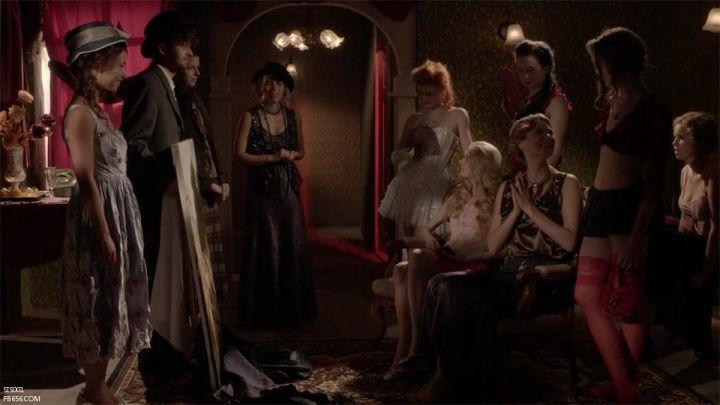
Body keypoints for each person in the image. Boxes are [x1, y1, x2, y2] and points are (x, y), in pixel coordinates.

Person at [414, 114, 582, 402]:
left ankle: (459, 379)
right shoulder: (508, 187)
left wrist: (530, 210)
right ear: (520, 143)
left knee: (462, 294)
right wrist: (515, 212)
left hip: (540, 279)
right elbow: (493, 245)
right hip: (505, 273)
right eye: (539, 133)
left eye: (550, 132)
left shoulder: (567, 183)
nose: (548, 137)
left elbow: (569, 241)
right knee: (441, 283)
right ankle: (442, 373)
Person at [574, 27, 672, 403]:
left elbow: (653, 179)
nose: (597, 70)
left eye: (600, 63)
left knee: (626, 300)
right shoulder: (611, 99)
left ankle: (623, 386)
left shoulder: (653, 108)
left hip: (629, 208)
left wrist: (636, 236)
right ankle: (623, 382)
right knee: (586, 294)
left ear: (616, 62)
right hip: (601, 203)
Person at [60, 21, 152, 404]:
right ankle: (94, 389)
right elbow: (85, 178)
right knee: (98, 295)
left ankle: (98, 387)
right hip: (99, 213)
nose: (122, 73)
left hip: (118, 210)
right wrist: (102, 230)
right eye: (117, 65)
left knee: (114, 295)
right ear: (94, 65)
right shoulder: (80, 114)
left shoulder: (97, 112)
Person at [384, 141, 502, 380]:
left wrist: (474, 256)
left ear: (479, 165)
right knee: (403, 267)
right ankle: (411, 341)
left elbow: (498, 247)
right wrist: (429, 238)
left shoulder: (497, 199)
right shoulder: (459, 195)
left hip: (472, 263)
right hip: (448, 254)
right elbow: (426, 228)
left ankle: (413, 347)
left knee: (406, 268)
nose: (460, 162)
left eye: (466, 159)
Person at [233, 62, 317, 327]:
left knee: (291, 245)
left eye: (279, 83)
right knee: (265, 247)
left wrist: (290, 154)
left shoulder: (293, 116)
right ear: (261, 86)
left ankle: (292, 310)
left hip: (288, 191)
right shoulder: (249, 116)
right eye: (269, 82)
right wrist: (270, 157)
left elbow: (301, 151)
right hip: (261, 192)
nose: (274, 88)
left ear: (285, 88)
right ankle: (263, 312)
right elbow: (240, 154)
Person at [121, 10, 197, 294]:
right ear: (163, 49)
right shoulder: (149, 84)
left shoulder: (166, 83)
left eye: (190, 44)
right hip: (152, 198)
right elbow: (133, 146)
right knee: (149, 271)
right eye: (183, 44)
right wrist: (164, 179)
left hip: (167, 196)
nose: (190, 52)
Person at [379, 60, 473, 236]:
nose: (423, 99)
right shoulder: (414, 119)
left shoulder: (458, 115)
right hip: (410, 181)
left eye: (429, 93)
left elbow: (471, 152)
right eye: (420, 93)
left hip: (438, 182)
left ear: (443, 90)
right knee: (409, 235)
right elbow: (395, 156)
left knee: (434, 236)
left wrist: (472, 180)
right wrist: (408, 152)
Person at [175, 55, 230, 296]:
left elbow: (209, 143)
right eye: (191, 68)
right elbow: (186, 147)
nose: (197, 73)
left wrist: (222, 178)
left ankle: (210, 303)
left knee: (209, 249)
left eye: (198, 68)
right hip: (194, 186)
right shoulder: (178, 103)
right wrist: (208, 183)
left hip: (209, 182)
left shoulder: (195, 100)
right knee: (196, 252)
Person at [671, 112, 718, 358]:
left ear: (699, 142)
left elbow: (717, 227)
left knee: (700, 314)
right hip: (685, 245)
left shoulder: (713, 176)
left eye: (681, 138)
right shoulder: (685, 172)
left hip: (705, 250)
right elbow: (683, 216)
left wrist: (706, 271)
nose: (674, 143)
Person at [510, 40, 572, 169]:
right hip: (522, 171)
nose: (525, 76)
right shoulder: (529, 99)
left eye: (530, 70)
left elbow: (553, 153)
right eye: (520, 71)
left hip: (540, 174)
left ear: (546, 68)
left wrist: (533, 179)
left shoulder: (555, 102)